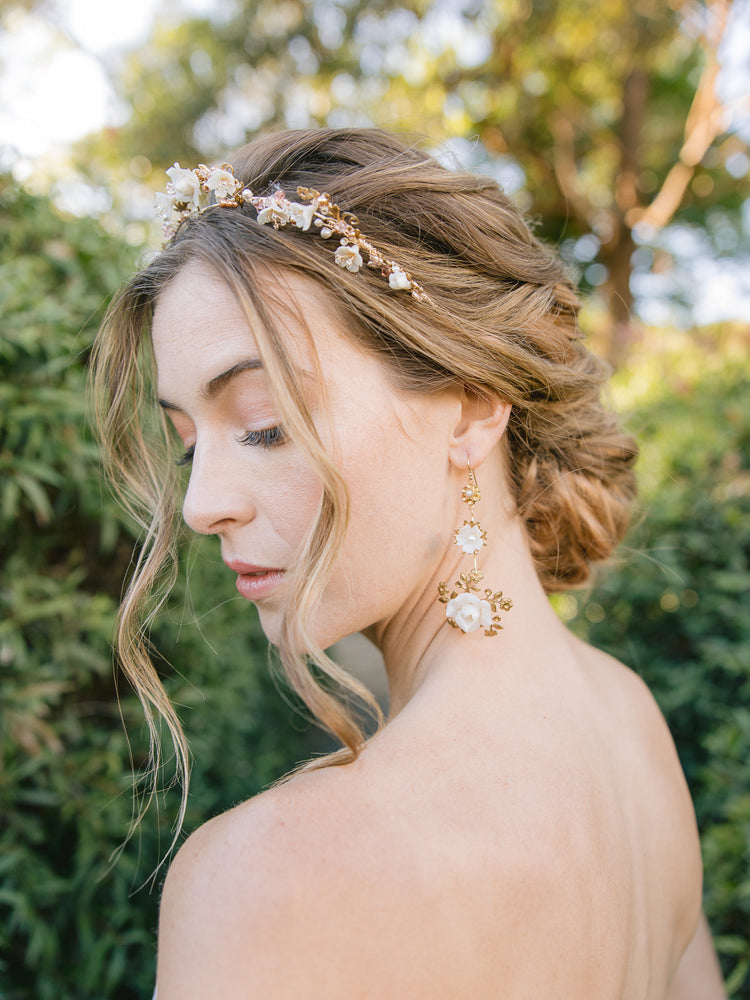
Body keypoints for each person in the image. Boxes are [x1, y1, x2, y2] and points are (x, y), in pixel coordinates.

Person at [93, 128, 726, 999]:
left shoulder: (269, 883)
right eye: (189, 444)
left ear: (470, 407)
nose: (202, 505)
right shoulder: (632, 719)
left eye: (266, 425)